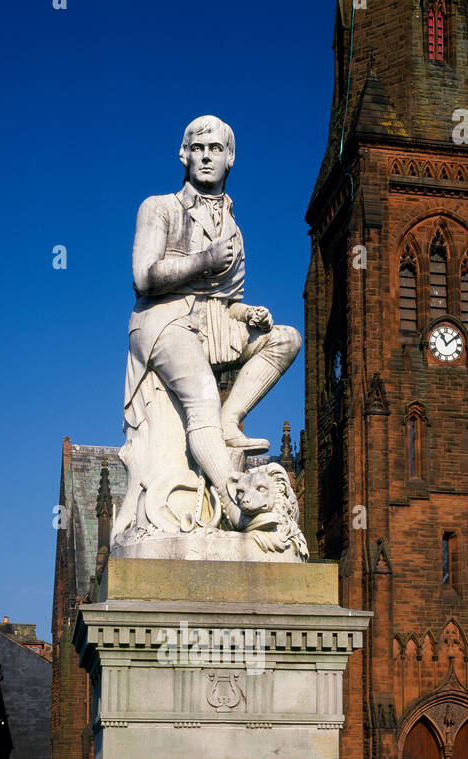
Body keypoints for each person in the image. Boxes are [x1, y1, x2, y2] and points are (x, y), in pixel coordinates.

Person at [119, 115, 301, 533]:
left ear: (230, 158)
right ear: (183, 155)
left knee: (287, 339)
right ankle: (235, 502)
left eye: (215, 149)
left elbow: (227, 301)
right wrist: (203, 261)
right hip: (164, 319)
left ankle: (229, 421)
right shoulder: (158, 207)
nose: (205, 156)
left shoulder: (234, 229)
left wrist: (248, 313)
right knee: (202, 397)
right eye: (197, 148)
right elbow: (143, 277)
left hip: (214, 321)